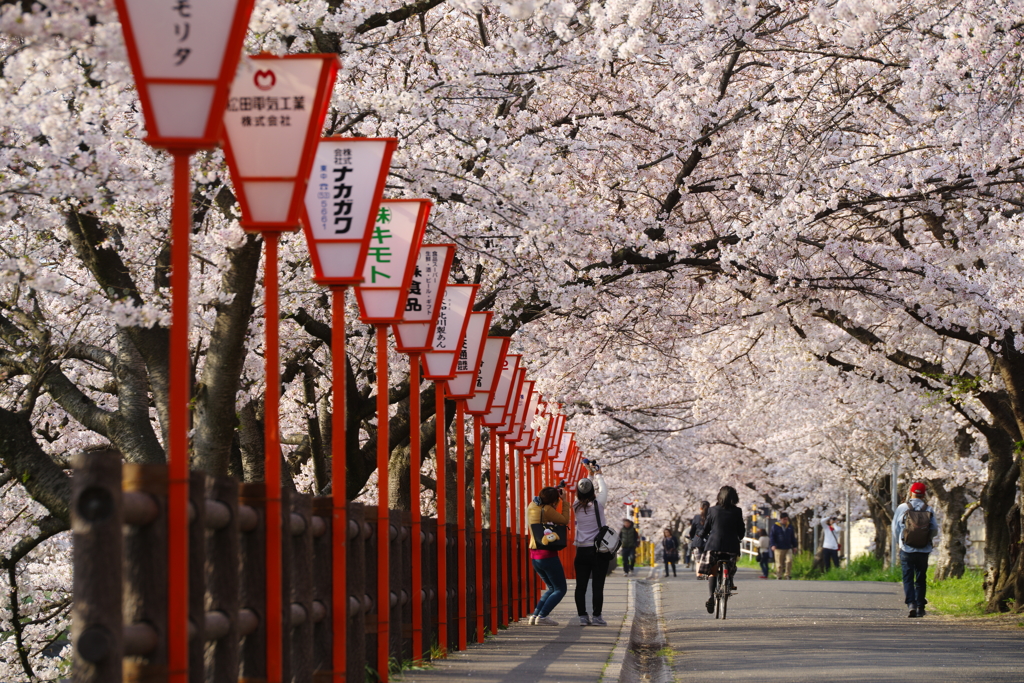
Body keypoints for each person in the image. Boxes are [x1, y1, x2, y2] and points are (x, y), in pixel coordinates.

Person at [893, 482, 939, 618]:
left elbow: (895, 528)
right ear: (924, 494)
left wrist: (899, 543)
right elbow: (935, 529)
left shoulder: (902, 507)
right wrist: (926, 538)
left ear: (911, 492)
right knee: (921, 577)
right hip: (924, 550)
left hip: (907, 548)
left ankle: (911, 604)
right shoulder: (929, 509)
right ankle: (920, 606)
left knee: (908, 577)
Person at [572, 462, 610, 626]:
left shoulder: (575, 505)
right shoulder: (599, 504)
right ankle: (597, 617)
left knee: (581, 585)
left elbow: (584, 490)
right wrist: (598, 474)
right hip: (597, 550)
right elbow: (603, 490)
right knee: (597, 585)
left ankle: (582, 616)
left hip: (581, 550)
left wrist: (589, 476)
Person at [699, 486, 746, 613]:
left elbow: (706, 528)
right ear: (734, 497)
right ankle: (729, 580)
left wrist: (700, 535)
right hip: (731, 546)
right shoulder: (737, 511)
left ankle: (711, 596)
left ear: (719, 496)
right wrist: (739, 536)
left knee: (712, 571)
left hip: (714, 545)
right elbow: (741, 531)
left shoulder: (713, 510)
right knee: (731, 566)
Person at [526, 486, 569, 625]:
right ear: (553, 500)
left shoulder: (533, 505)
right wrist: (564, 501)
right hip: (547, 554)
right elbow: (564, 520)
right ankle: (542, 616)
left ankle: (535, 616)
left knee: (551, 587)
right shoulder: (547, 510)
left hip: (535, 555)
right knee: (561, 589)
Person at [770, 513, 798, 579]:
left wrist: (794, 546)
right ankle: (779, 575)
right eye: (784, 519)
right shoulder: (775, 526)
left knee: (789, 560)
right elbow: (772, 537)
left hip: (788, 547)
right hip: (778, 547)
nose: (786, 521)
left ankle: (787, 574)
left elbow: (792, 537)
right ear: (781, 519)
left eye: (787, 519)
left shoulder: (790, 527)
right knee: (779, 563)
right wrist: (773, 545)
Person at [686, 501, 710, 569]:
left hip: (698, 540)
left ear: (700, 508)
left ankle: (699, 574)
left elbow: (693, 529)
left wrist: (692, 536)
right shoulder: (712, 517)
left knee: (698, 561)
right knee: (709, 559)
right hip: (710, 540)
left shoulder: (697, 517)